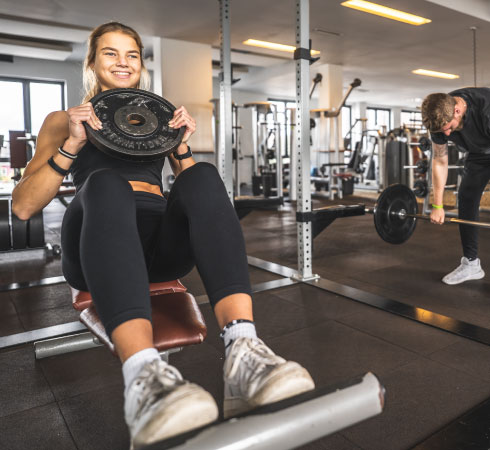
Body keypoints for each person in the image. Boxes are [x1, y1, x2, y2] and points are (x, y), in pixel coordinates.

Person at [11, 22, 314, 448]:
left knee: (203, 174)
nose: (122, 62)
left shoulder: (156, 118)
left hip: (159, 248)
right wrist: (72, 145)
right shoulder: (64, 120)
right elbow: (23, 206)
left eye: (132, 55)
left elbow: (198, 197)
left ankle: (243, 349)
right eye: (111, 53)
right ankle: (143, 376)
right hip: (95, 243)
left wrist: (181, 146)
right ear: (92, 63)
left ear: (141, 64)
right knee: (105, 182)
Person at [421, 88, 489, 284]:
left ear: (457, 110)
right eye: (442, 131)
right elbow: (440, 161)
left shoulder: (486, 110)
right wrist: (438, 205)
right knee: (466, 197)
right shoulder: (439, 117)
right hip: (478, 154)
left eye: (449, 127)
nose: (447, 134)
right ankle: (471, 264)